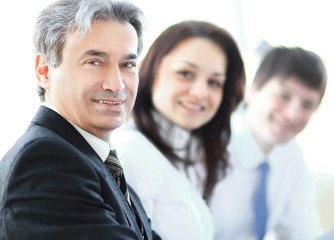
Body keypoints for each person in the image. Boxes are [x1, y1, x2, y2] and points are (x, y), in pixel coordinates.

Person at [0, 0, 161, 239]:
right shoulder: (46, 161)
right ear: (44, 71)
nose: (116, 84)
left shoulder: (95, 158)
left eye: (127, 64)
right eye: (94, 62)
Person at [111, 20, 245, 240]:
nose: (200, 93)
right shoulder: (133, 154)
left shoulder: (189, 155)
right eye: (186, 73)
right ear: (152, 72)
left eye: (214, 82)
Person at [210, 46, 327, 240]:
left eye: (308, 105)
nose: (293, 114)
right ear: (252, 90)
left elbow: (303, 232)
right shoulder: (210, 144)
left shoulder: (292, 156)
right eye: (284, 95)